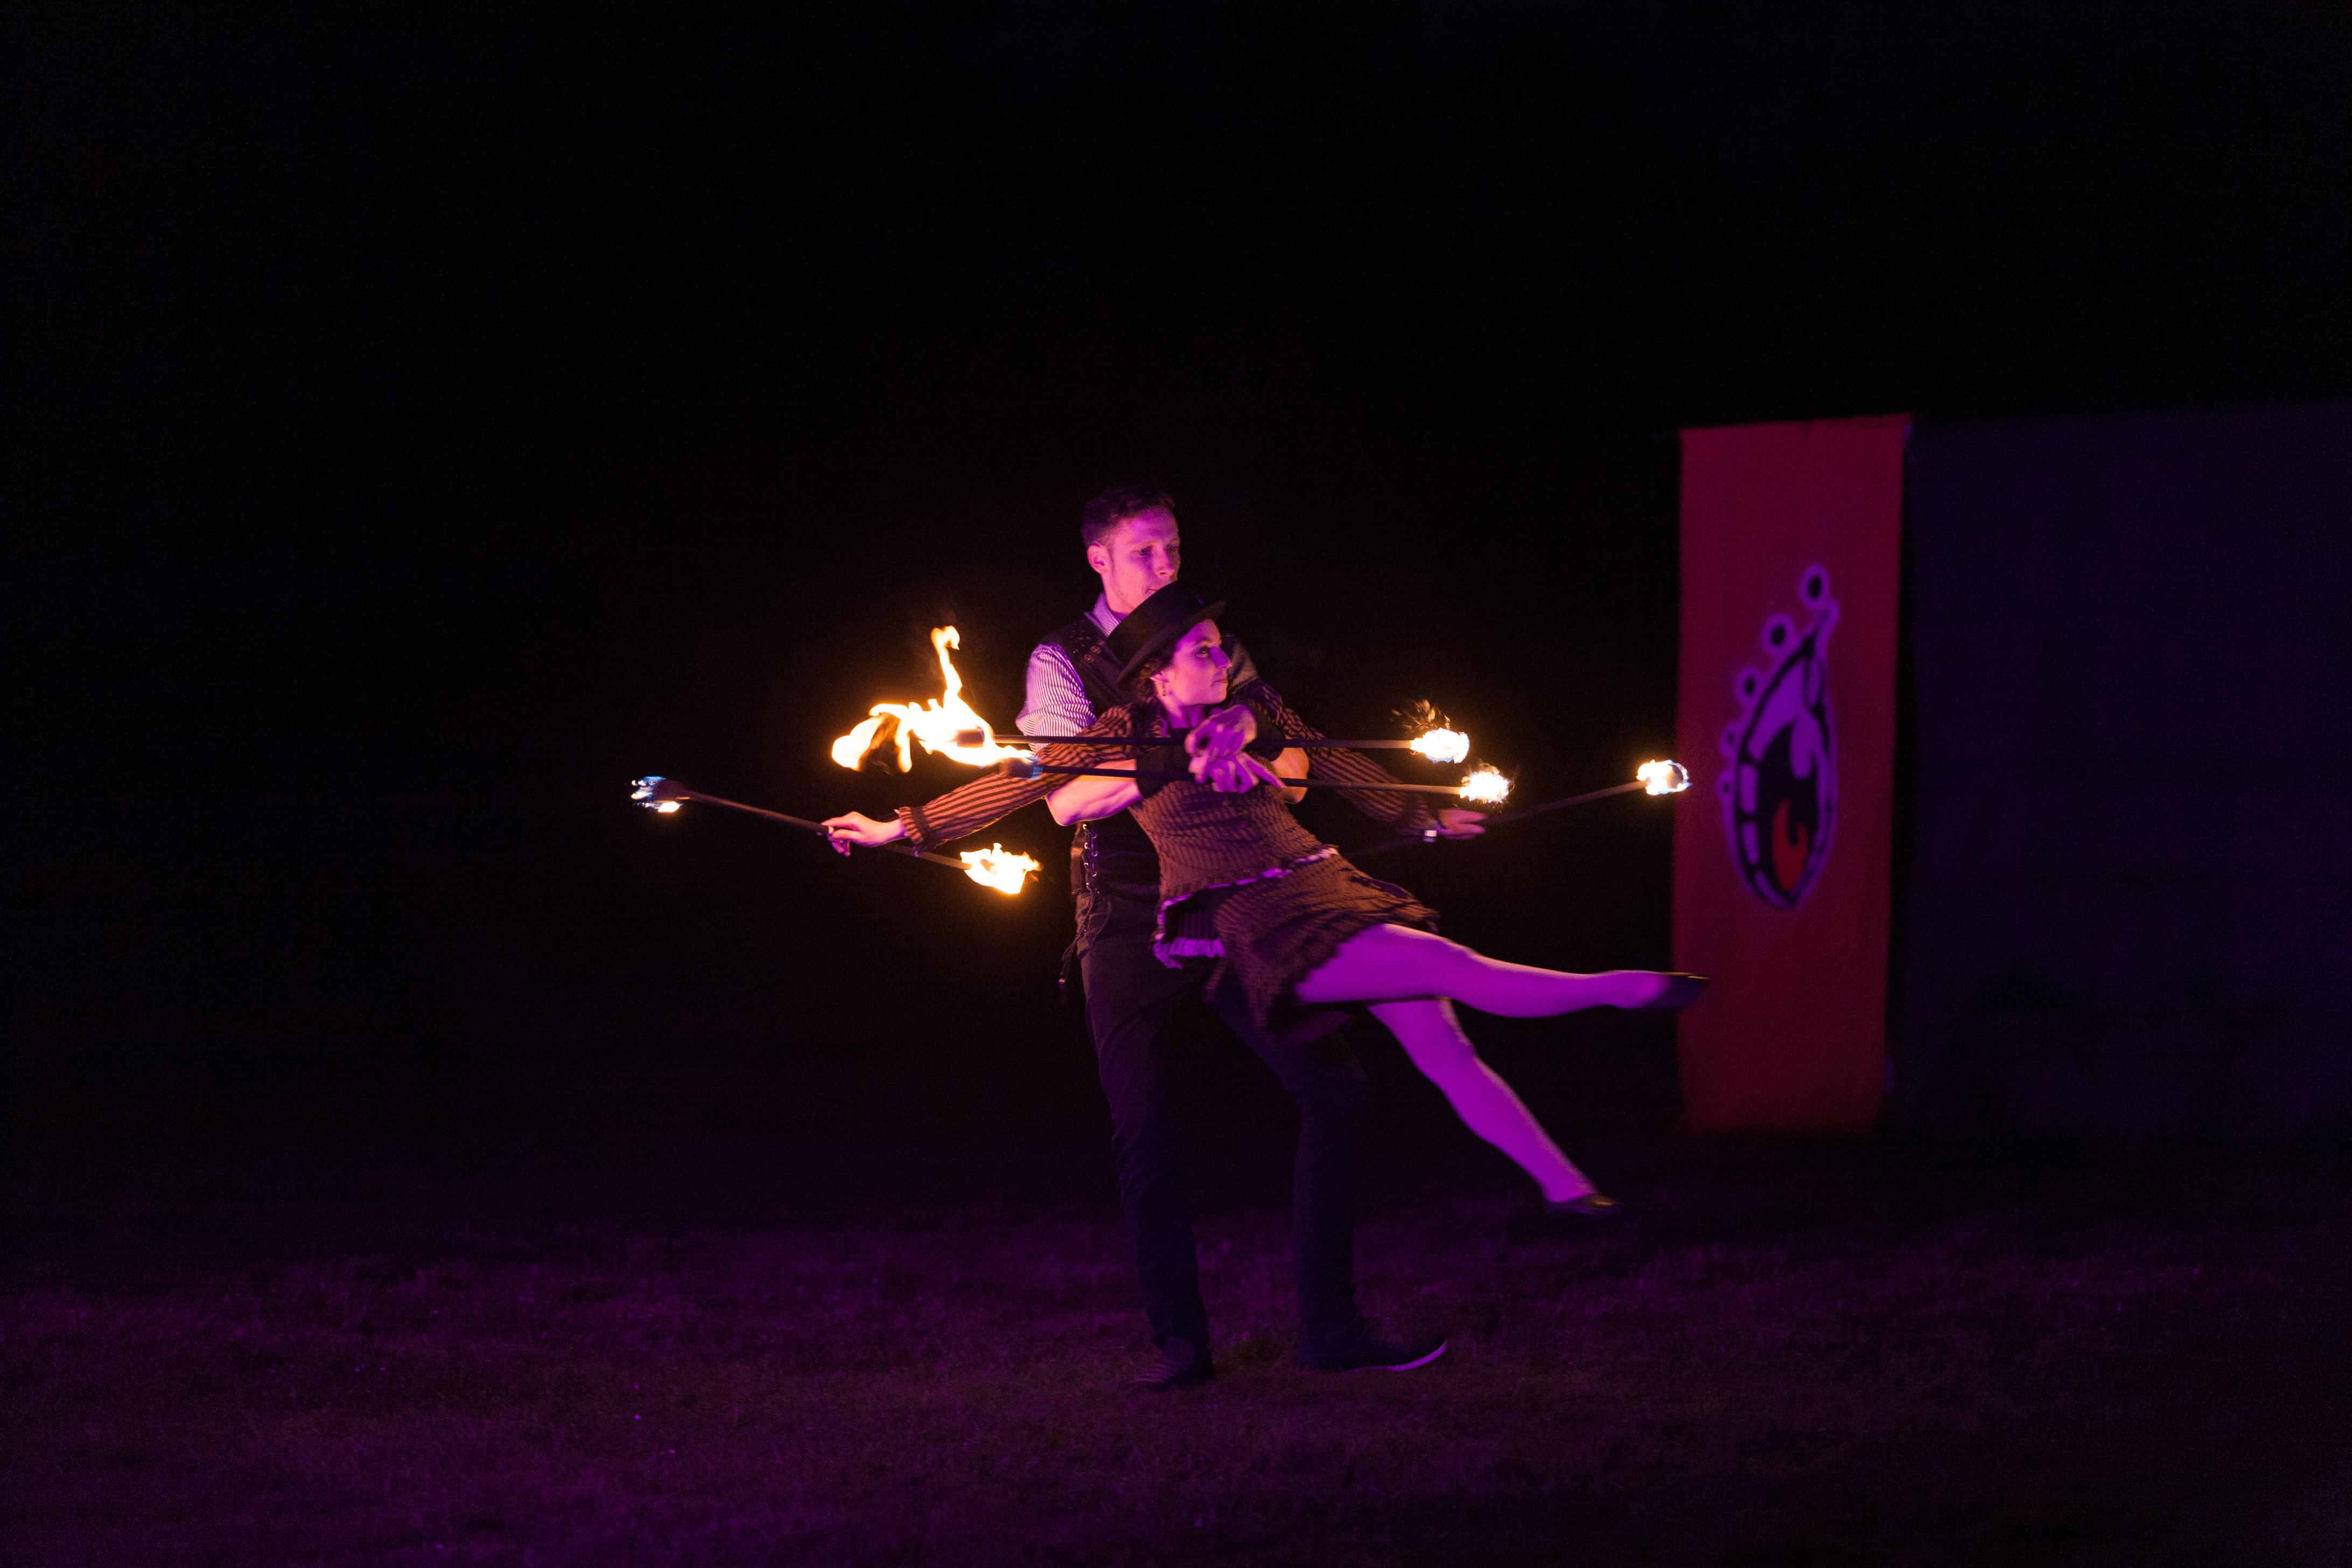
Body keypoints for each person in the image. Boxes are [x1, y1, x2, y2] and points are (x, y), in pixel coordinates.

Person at [827, 487, 1457, 1389]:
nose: (1166, 566)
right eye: (1145, 551)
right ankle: (1181, 1348)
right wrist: (910, 825)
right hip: (1124, 912)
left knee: (1337, 1090)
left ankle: (1331, 1327)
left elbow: (1300, 745)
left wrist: (1415, 810)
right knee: (1145, 1130)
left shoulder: (1208, 643)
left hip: (1233, 899)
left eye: (1174, 548)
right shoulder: (1064, 661)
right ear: (1100, 558)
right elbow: (1055, 787)